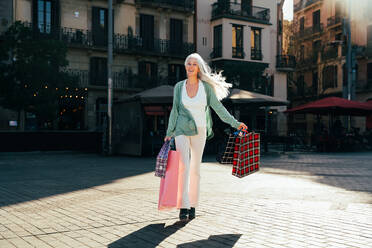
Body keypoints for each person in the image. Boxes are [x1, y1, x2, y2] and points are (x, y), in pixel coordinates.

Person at [164, 53, 248, 221]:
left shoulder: (206, 88)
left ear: (199, 67)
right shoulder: (179, 87)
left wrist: (235, 123)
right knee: (183, 167)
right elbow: (175, 110)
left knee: (195, 169)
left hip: (200, 130)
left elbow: (218, 108)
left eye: (194, 64)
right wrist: (169, 133)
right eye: (188, 63)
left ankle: (193, 204)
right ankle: (183, 206)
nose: (190, 66)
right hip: (181, 130)